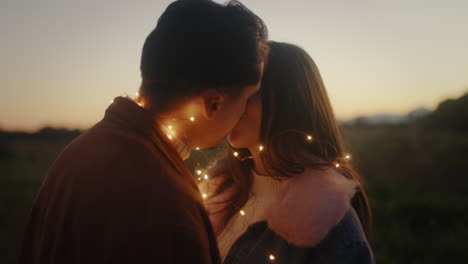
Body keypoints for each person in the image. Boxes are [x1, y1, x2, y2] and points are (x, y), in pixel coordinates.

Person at [19, 0, 268, 263]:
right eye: (247, 98)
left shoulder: (86, 149)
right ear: (213, 103)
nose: (244, 112)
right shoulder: (166, 208)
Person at [201, 41, 375, 263]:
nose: (230, 101)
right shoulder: (219, 189)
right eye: (229, 89)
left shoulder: (326, 218)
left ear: (289, 98)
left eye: (248, 89)